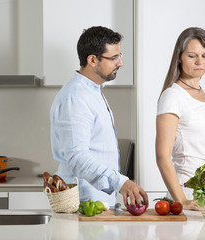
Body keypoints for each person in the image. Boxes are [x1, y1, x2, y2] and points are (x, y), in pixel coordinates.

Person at [50, 26, 148, 207]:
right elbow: (77, 157)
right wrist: (120, 182)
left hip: (96, 201)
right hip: (83, 203)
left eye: (120, 56)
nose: (121, 63)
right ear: (92, 60)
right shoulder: (76, 97)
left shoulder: (92, 92)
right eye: (114, 58)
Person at [155, 27, 205, 210]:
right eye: (192, 56)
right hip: (189, 192)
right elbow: (162, 155)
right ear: (179, 56)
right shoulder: (173, 96)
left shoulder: (202, 94)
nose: (200, 61)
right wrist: (182, 201)